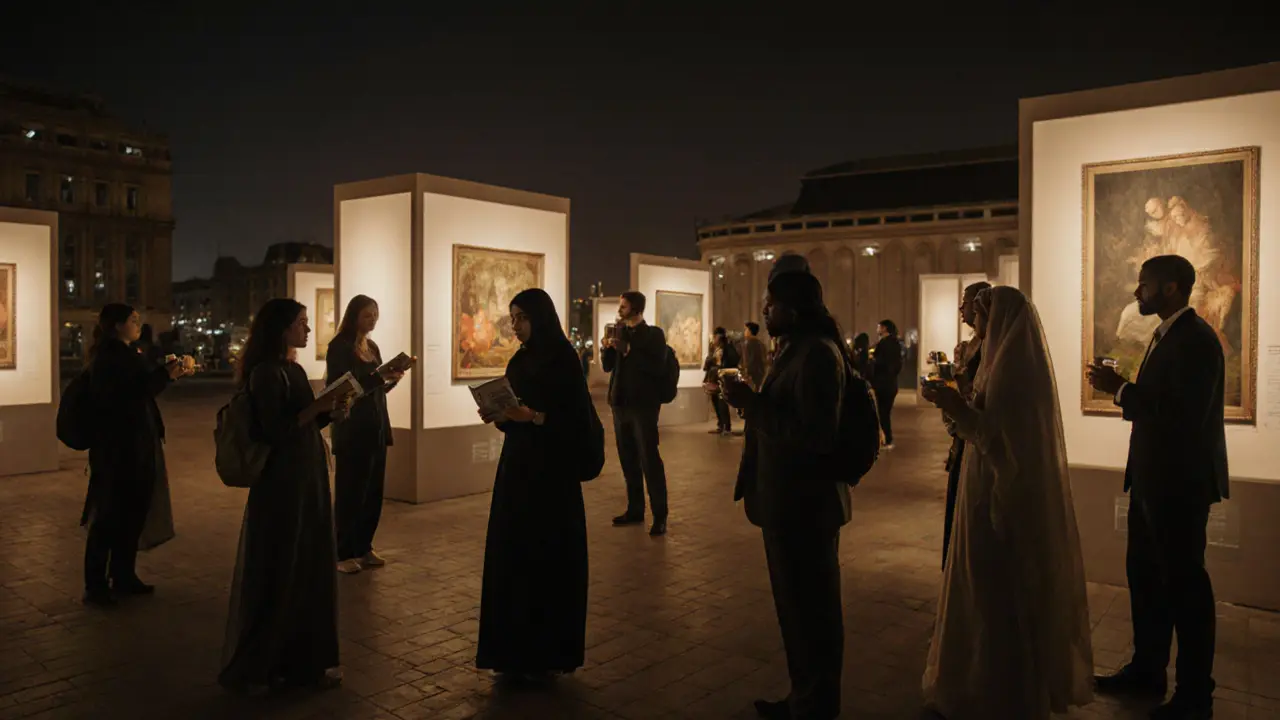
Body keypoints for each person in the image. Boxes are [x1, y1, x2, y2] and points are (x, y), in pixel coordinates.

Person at [920, 286, 1093, 719]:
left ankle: (999, 688)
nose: (973, 322)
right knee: (978, 584)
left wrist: (955, 405)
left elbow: (998, 438)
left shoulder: (1014, 372)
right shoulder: (996, 364)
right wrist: (953, 404)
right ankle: (974, 679)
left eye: (978, 314)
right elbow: (977, 425)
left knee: (995, 588)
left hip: (997, 488)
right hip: (979, 481)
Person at [1087, 255, 1228, 720]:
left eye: (1143, 285)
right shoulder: (1168, 335)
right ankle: (1147, 671)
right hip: (1154, 481)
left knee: (1185, 588)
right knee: (1146, 581)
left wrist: (1119, 389)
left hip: (1179, 486)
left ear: (1169, 289)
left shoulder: (1198, 341)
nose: (1136, 293)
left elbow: (1180, 415)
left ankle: (1194, 696)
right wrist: (1124, 388)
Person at [722, 271, 852, 720]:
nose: (763, 310)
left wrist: (749, 402)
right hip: (790, 501)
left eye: (770, 303)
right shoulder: (798, 350)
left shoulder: (816, 355)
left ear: (792, 309)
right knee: (796, 612)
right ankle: (804, 698)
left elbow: (813, 436)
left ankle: (816, 705)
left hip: (805, 505)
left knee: (812, 613)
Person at [219, 298, 350, 694]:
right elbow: (275, 431)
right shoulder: (265, 374)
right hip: (283, 484)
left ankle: (302, 663)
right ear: (281, 328)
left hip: (305, 476)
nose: (308, 331)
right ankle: (270, 664)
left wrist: (330, 411)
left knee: (307, 565)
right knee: (284, 567)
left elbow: (303, 420)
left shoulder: (291, 369)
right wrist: (318, 408)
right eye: (301, 323)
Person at [475, 288, 595, 679]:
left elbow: (574, 419)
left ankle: (547, 653)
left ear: (540, 317)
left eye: (521, 318)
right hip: (518, 469)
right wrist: (499, 415)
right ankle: (511, 652)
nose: (515, 325)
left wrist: (536, 417)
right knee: (515, 556)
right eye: (512, 318)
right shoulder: (520, 359)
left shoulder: (563, 360)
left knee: (548, 559)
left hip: (552, 474)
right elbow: (514, 412)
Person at [81, 304, 191, 606]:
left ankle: (122, 575)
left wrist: (164, 376)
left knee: (129, 514)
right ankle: (98, 584)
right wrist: (165, 375)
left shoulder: (123, 354)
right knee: (110, 516)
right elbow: (132, 394)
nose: (138, 324)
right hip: (120, 448)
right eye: (133, 320)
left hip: (130, 445)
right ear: (117, 326)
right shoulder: (112, 357)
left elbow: (137, 391)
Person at [325, 295, 406, 574]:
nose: (372, 319)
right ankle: (342, 551)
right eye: (367, 314)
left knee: (373, 491)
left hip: (376, 426)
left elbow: (376, 389)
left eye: (375, 314)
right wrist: (378, 377)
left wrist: (390, 380)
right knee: (351, 492)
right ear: (353, 316)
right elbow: (344, 388)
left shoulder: (371, 346)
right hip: (352, 429)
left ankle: (363, 546)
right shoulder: (340, 347)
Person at [601, 290, 670, 536]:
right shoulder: (619, 332)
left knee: (649, 460)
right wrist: (607, 348)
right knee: (628, 460)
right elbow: (608, 367)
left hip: (643, 407)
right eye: (620, 306)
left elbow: (657, 366)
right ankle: (635, 509)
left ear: (637, 309)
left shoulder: (654, 335)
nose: (620, 310)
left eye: (624, 306)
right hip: (620, 405)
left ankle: (660, 515)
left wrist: (629, 349)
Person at [940, 281, 990, 570]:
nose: (962, 308)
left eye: (967, 302)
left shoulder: (994, 351)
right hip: (962, 437)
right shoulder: (966, 347)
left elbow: (981, 402)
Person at [871, 319, 903, 449]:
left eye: (879, 327)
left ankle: (887, 439)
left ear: (884, 328)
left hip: (882, 383)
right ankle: (886, 439)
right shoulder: (895, 343)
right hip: (891, 383)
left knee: (882, 413)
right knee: (886, 412)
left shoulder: (883, 344)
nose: (877, 329)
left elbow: (879, 362)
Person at [704, 327, 741, 435]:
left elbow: (732, 359)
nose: (713, 339)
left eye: (715, 336)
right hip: (714, 377)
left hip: (723, 378)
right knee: (715, 401)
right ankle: (720, 424)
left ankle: (727, 426)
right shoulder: (714, 348)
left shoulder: (728, 347)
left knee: (722, 402)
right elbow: (710, 361)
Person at [742, 321, 769, 391]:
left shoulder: (750, 343)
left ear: (750, 331)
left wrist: (748, 372)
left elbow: (752, 359)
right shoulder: (760, 343)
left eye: (746, 329)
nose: (744, 332)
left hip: (753, 374)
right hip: (759, 373)